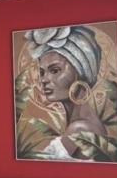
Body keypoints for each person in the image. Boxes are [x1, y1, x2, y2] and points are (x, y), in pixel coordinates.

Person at [24, 26, 106, 160]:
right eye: (42, 72)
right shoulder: (83, 123)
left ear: (80, 73)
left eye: (55, 70)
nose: (43, 80)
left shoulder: (80, 128)